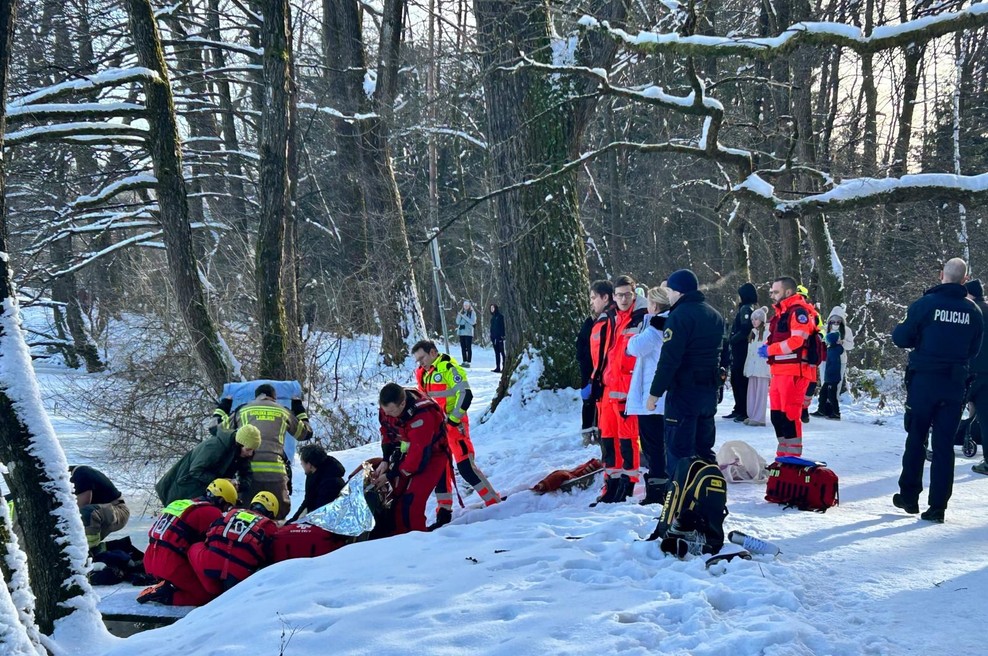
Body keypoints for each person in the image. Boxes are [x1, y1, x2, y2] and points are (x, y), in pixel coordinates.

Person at [892, 258, 983, 522]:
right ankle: (938, 507)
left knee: (916, 438)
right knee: (943, 446)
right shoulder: (973, 311)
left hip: (924, 381)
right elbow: (974, 350)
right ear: (965, 280)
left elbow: (900, 337)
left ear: (942, 275)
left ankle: (909, 496)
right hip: (954, 384)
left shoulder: (925, 305)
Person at [412, 340, 500, 528]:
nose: (420, 363)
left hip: (454, 426)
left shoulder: (448, 368)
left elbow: (465, 394)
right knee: (440, 470)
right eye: (417, 360)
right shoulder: (422, 373)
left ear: (433, 352)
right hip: (436, 431)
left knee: (466, 468)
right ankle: (443, 513)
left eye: (422, 358)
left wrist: (453, 419)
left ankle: (494, 502)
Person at [646, 269, 725, 478]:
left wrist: (654, 393)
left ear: (678, 292)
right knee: (704, 451)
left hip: (683, 394)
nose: (668, 296)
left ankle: (679, 506)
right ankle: (708, 500)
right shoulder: (714, 315)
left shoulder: (678, 316)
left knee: (679, 453)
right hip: (708, 393)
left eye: (669, 291)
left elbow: (670, 360)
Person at [137, 479, 237, 606]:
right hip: (170, 564)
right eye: (227, 506)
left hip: (150, 558)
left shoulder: (182, 503)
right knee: (206, 596)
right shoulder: (211, 512)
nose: (225, 511)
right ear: (221, 500)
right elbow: (216, 546)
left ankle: (169, 584)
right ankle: (164, 596)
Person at [594, 275, 648, 504]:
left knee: (627, 441)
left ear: (634, 294)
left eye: (627, 294)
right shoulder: (612, 318)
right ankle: (612, 484)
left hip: (628, 389)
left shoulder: (642, 318)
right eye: (619, 295)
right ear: (613, 297)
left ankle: (627, 487)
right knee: (608, 440)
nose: (624, 299)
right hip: (607, 388)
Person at [374, 383, 450, 534]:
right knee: (396, 498)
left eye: (391, 411)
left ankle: (418, 539)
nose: (387, 414)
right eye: (384, 410)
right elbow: (387, 431)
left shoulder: (422, 417)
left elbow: (418, 456)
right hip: (410, 451)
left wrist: (391, 475)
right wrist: (385, 459)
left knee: (412, 500)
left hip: (433, 455)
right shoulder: (388, 410)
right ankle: (400, 536)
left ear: (402, 403)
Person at [229, 383, 313, 520]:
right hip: (276, 476)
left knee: (245, 518)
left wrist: (224, 405)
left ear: (257, 397)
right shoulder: (283, 411)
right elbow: (305, 433)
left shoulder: (242, 411)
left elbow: (216, 429)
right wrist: (298, 408)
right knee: (277, 518)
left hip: (248, 475)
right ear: (274, 397)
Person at [759, 277, 820, 457]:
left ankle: (792, 458)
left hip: (794, 371)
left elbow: (797, 341)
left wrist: (771, 350)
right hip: (779, 371)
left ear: (787, 292)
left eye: (775, 291)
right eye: (771, 291)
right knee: (777, 416)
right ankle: (783, 455)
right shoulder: (782, 313)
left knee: (790, 415)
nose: (772, 295)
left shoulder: (798, 312)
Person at [187, 491, 281, 602]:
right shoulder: (269, 526)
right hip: (240, 576)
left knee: (195, 547)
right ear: (271, 513)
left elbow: (210, 533)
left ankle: (212, 590)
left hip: (211, 567)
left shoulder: (231, 513)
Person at [626, 285, 671, 505]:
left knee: (653, 446)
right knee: (662, 443)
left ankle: (656, 490)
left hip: (652, 397)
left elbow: (634, 348)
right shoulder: (673, 324)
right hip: (664, 395)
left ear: (654, 305)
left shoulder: (654, 329)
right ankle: (665, 486)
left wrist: (639, 332)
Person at [156, 424, 260, 506]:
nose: (250, 454)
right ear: (238, 444)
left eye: (253, 450)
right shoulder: (215, 446)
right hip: (185, 489)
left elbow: (247, 475)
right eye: (248, 450)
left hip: (206, 493)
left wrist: (238, 486)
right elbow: (196, 470)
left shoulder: (241, 453)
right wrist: (223, 483)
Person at [70, 465, 130, 552]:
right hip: (102, 513)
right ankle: (95, 551)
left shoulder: (81, 472)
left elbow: (82, 505)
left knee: (87, 512)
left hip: (117, 509)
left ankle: (87, 550)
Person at [813, 306, 856, 420]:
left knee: (835, 385)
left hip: (839, 361)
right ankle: (823, 408)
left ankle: (833, 409)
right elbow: (818, 338)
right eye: (833, 321)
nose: (835, 323)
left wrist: (842, 342)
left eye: (838, 321)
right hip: (825, 359)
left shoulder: (846, 330)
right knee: (824, 384)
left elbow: (851, 345)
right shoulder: (825, 328)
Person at [724, 283, 758, 422]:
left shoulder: (745, 309)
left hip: (741, 349)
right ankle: (739, 407)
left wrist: (732, 340)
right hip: (742, 348)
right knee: (737, 379)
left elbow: (745, 329)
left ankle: (742, 409)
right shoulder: (747, 308)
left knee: (739, 379)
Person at [287, 444, 346, 523]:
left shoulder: (331, 483)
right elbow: (308, 502)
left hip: (328, 525)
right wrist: (291, 522)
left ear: (309, 464)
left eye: (302, 462)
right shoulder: (313, 475)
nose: (301, 464)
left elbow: (321, 512)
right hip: (315, 520)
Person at [965, 279, 988, 476]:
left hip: (970, 371)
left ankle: (938, 449)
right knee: (986, 418)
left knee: (951, 411)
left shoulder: (970, 311)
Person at [743, 306, 771, 426]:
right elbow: (750, 354)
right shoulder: (753, 334)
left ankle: (759, 417)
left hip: (762, 368)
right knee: (752, 392)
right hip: (753, 368)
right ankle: (752, 415)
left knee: (761, 393)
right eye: (752, 319)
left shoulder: (767, 333)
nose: (754, 321)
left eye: (756, 319)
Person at [455, 300, 477, 367]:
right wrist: (459, 315)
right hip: (461, 332)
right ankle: (464, 361)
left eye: (467, 305)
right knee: (463, 347)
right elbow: (457, 322)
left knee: (468, 347)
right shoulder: (462, 312)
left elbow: (473, 322)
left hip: (468, 333)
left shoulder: (472, 313)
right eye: (464, 305)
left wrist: (464, 316)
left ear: (469, 306)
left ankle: (468, 362)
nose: (465, 307)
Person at [490, 303, 506, 372]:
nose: (492, 309)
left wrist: (502, 335)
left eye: (493, 308)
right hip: (494, 337)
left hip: (499, 337)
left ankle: (504, 367)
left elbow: (502, 326)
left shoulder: (500, 316)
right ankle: (498, 367)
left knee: (502, 352)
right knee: (497, 353)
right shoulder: (493, 318)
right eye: (491, 308)